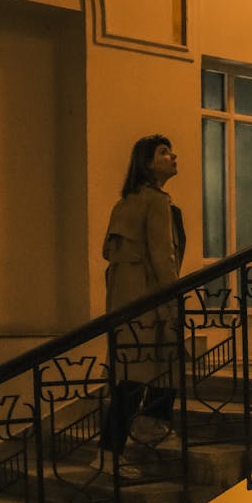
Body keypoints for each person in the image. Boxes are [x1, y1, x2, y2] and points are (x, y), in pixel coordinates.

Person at [97, 134, 186, 475]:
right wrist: (173, 300)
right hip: (149, 302)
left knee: (131, 374)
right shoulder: (156, 202)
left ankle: (117, 445)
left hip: (123, 304)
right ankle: (133, 437)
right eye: (164, 153)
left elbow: (111, 256)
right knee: (158, 367)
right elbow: (163, 257)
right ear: (147, 163)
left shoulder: (125, 203)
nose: (173, 156)